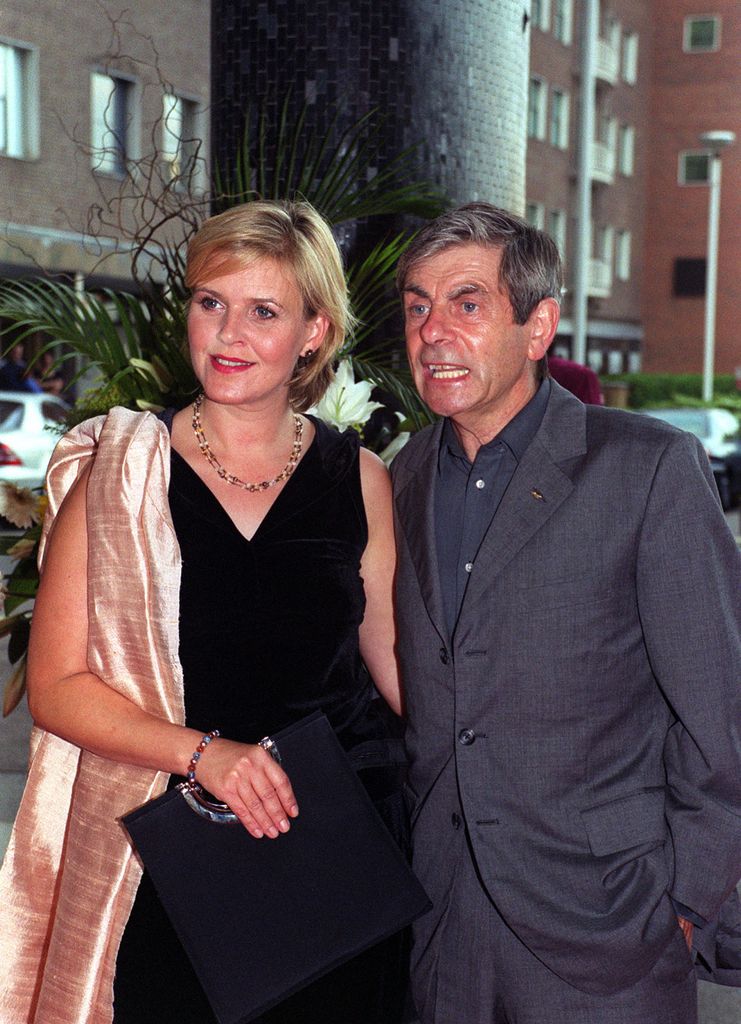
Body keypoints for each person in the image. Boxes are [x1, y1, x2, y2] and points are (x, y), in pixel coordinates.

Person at [0, 200, 408, 1024]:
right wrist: (206, 756)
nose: (227, 335)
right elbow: (57, 686)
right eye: (209, 302)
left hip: (336, 845)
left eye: (264, 312)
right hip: (172, 856)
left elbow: (396, 666)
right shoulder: (118, 469)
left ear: (314, 333)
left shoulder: (357, 478)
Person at [390, 202, 741, 1024]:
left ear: (538, 325)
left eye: (466, 304)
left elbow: (720, 718)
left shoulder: (646, 468)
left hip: (609, 930)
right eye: (416, 306)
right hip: (444, 930)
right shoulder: (400, 476)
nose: (432, 331)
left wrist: (682, 907)